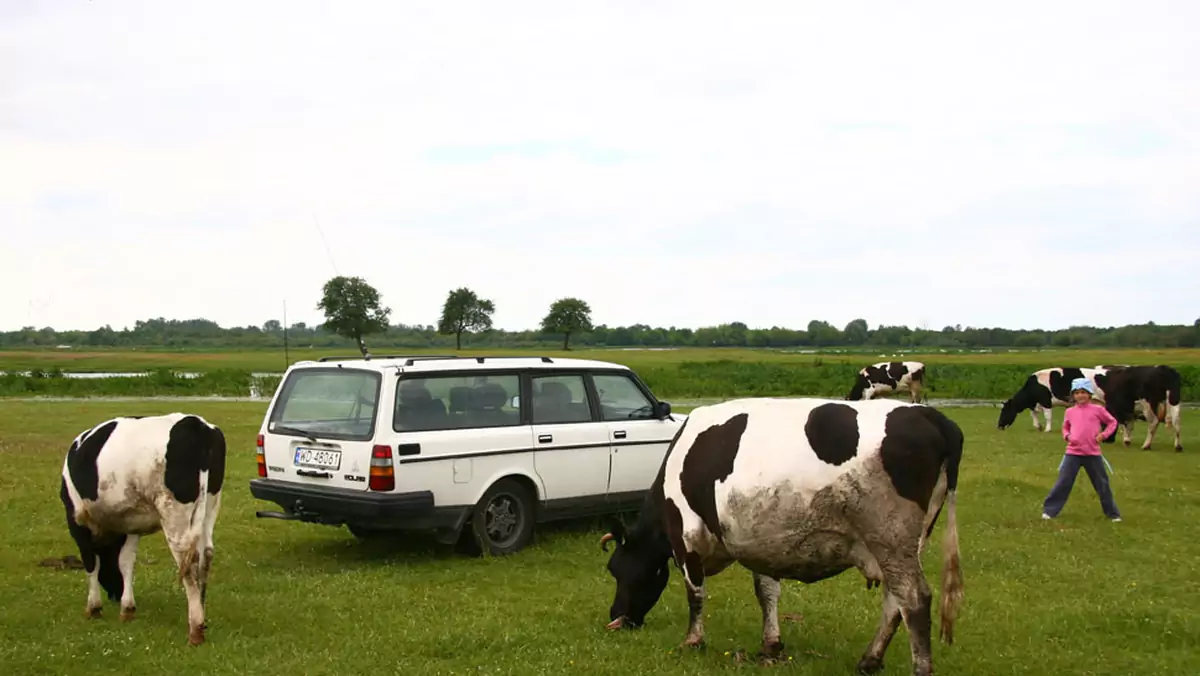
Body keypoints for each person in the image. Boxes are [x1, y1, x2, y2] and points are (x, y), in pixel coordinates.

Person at [1041, 377, 1122, 522]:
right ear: (1073, 395)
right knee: (1063, 482)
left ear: (1090, 394)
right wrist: (1067, 436)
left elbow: (1112, 422)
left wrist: (1103, 435)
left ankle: (1113, 513)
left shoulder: (1098, 410)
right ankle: (1049, 511)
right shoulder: (1070, 412)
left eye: (1084, 392)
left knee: (1102, 484)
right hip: (1073, 453)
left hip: (1093, 454)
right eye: (1077, 393)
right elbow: (1065, 427)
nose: (1080, 396)